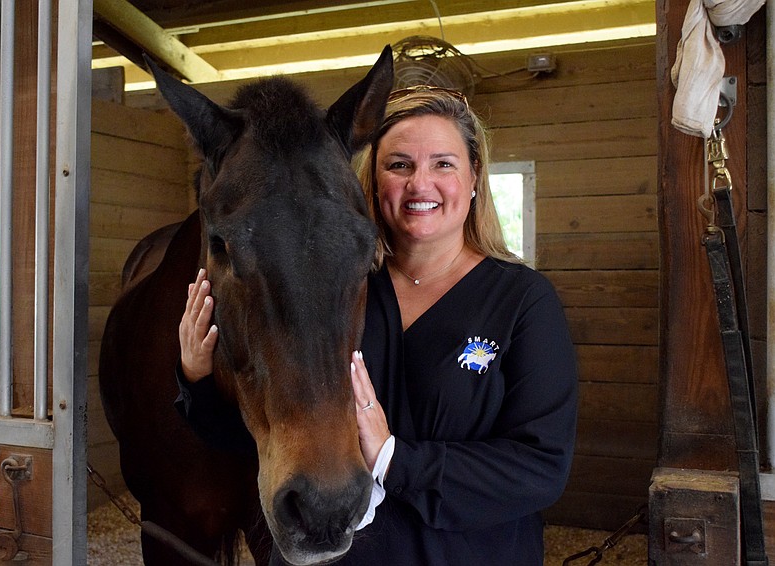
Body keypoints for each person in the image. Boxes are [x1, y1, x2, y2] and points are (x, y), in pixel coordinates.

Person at [176, 85, 578, 565]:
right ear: (373, 178)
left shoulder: (522, 301)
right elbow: (265, 439)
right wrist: (197, 378)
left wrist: (395, 460)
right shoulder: (340, 288)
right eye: (400, 164)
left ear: (474, 178)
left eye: (443, 164)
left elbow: (540, 469)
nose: (419, 184)